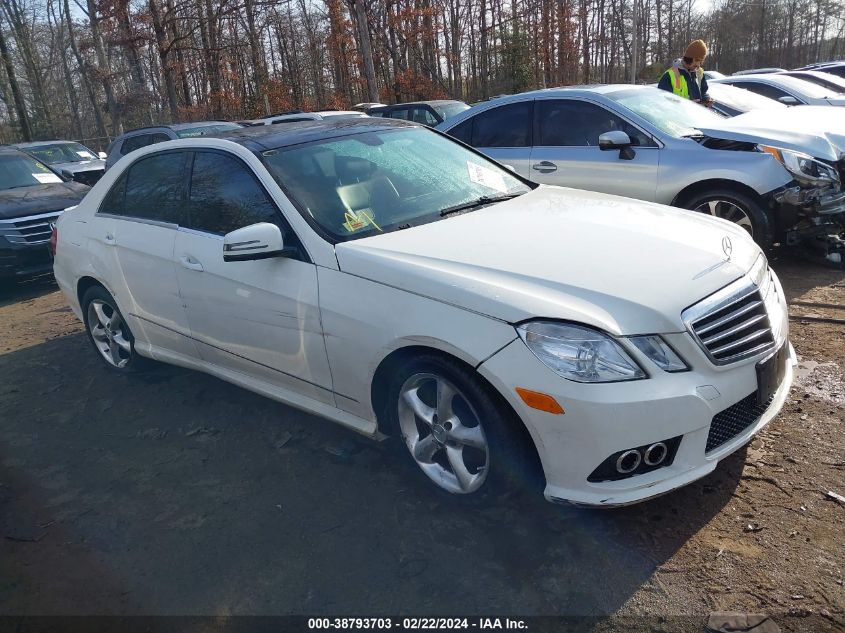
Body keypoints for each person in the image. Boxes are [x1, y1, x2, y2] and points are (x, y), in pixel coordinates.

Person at [658, 39, 713, 106]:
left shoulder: (699, 73)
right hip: (679, 115)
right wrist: (687, 105)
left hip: (697, 115)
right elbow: (663, 103)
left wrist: (706, 99)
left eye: (701, 61)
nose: (698, 65)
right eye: (697, 60)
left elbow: (703, 92)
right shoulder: (669, 76)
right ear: (688, 58)